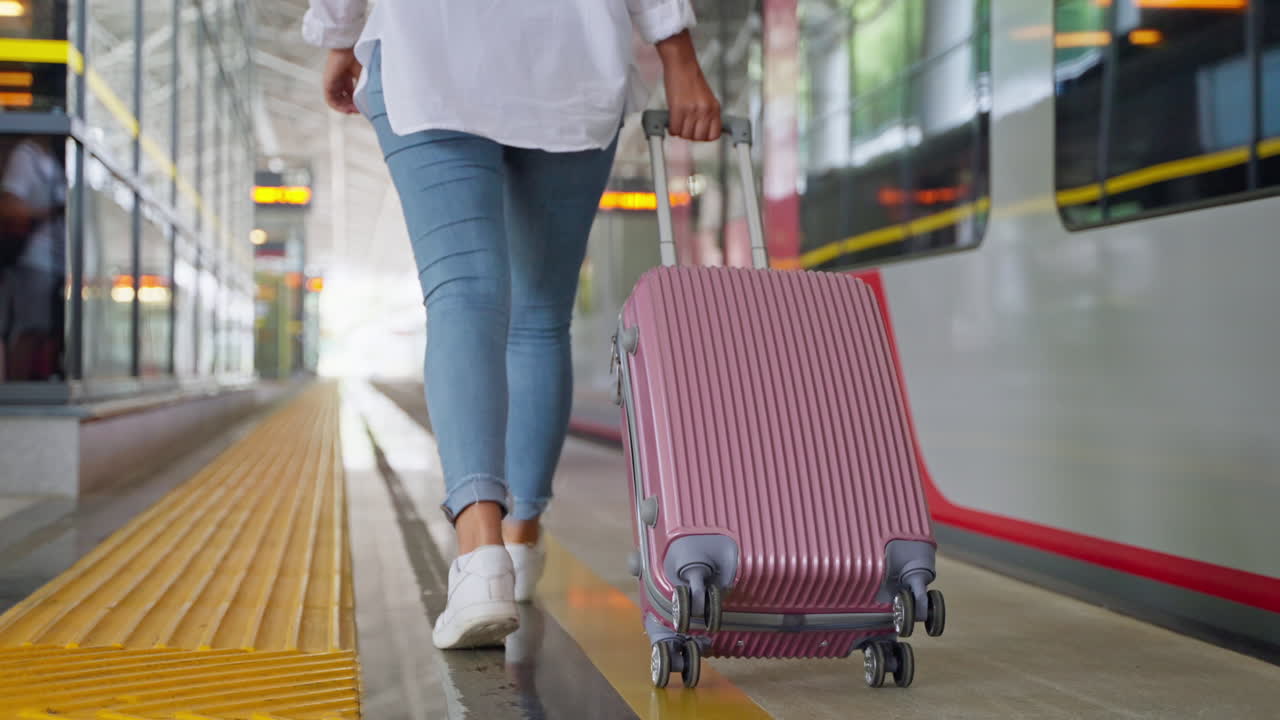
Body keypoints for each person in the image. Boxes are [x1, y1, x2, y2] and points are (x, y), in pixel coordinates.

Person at [303, 1, 721, 649]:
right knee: (539, 318)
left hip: (428, 55)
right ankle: (521, 540)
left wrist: (339, 36)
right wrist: (680, 61)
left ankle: (480, 557)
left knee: (462, 293)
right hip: (570, 67)